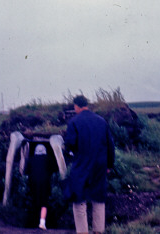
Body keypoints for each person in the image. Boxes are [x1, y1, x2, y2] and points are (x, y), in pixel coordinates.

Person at [64, 95, 115, 234]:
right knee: (98, 198)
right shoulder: (101, 121)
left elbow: (69, 144)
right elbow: (110, 145)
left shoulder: (74, 122)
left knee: (78, 199)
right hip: (99, 166)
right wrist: (109, 165)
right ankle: (98, 231)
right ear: (87, 105)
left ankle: (83, 232)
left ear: (76, 106)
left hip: (81, 165)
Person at [25, 143, 58, 230]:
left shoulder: (31, 159)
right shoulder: (48, 159)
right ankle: (42, 223)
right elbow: (55, 170)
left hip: (32, 181)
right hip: (45, 181)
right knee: (44, 202)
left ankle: (33, 223)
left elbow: (26, 171)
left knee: (34, 200)